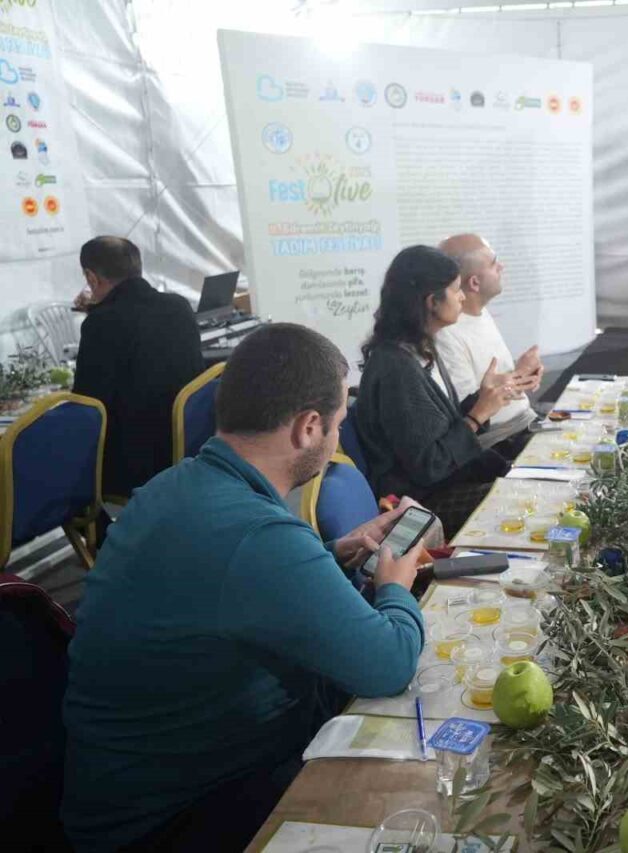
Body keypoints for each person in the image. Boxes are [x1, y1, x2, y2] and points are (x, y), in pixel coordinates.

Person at [61, 324, 427, 853]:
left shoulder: (174, 486)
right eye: (338, 426)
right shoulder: (258, 536)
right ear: (308, 427)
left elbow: (229, 589)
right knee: (415, 797)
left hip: (129, 795)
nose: (337, 441)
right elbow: (390, 664)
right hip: (179, 820)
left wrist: (327, 556)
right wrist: (395, 586)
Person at [356, 245, 521, 535]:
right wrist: (476, 416)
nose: (462, 297)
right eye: (456, 290)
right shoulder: (396, 369)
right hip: (421, 503)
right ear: (432, 302)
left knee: (531, 483)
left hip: (447, 484)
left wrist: (481, 399)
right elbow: (430, 466)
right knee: (521, 499)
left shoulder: (420, 348)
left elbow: (439, 427)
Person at [70, 236, 206, 497]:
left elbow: (87, 404)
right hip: (189, 444)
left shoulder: (101, 324)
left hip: (138, 462)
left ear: (91, 278)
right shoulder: (178, 306)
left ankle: (93, 522)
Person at [435, 233, 543, 455]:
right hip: (500, 440)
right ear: (474, 283)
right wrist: (517, 376)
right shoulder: (446, 335)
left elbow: (492, 384)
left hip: (524, 423)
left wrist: (522, 375)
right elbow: (472, 410)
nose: (501, 267)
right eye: (494, 264)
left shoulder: (480, 312)